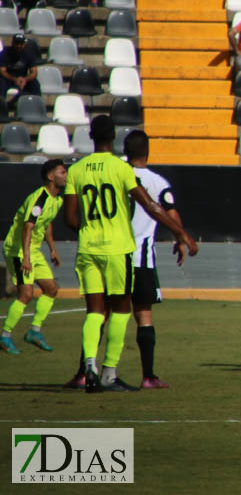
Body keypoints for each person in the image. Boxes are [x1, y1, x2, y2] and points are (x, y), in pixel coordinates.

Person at [63, 116, 197, 392]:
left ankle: (89, 365)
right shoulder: (122, 169)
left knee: (95, 312)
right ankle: (110, 373)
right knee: (124, 310)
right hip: (117, 248)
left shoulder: (76, 170)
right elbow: (151, 206)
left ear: (90, 136)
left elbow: (70, 218)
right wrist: (181, 233)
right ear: (113, 137)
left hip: (88, 249)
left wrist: (91, 230)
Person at [120, 131, 191, 389]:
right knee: (143, 313)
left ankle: (89, 370)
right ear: (147, 151)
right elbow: (171, 212)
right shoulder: (157, 182)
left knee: (103, 313)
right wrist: (181, 239)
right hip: (140, 256)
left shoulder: (116, 173)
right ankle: (148, 375)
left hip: (112, 254)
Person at [1, 159, 65, 355]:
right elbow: (28, 227)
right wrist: (26, 258)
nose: (66, 176)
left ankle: (34, 331)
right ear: (50, 176)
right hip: (18, 250)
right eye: (62, 172)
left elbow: (46, 224)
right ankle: (5, 336)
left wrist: (53, 249)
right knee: (26, 294)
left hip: (33, 249)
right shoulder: (39, 199)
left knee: (51, 289)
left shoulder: (57, 200)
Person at [1, 33, 40, 107]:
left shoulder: (29, 54)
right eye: (16, 43)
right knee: (1, 83)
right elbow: (2, 71)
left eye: (21, 44)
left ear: (24, 44)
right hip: (9, 79)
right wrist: (15, 79)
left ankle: (37, 105)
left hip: (23, 79)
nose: (18, 46)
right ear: (12, 43)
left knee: (35, 84)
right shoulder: (5, 53)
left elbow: (34, 72)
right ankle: (2, 106)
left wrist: (25, 79)